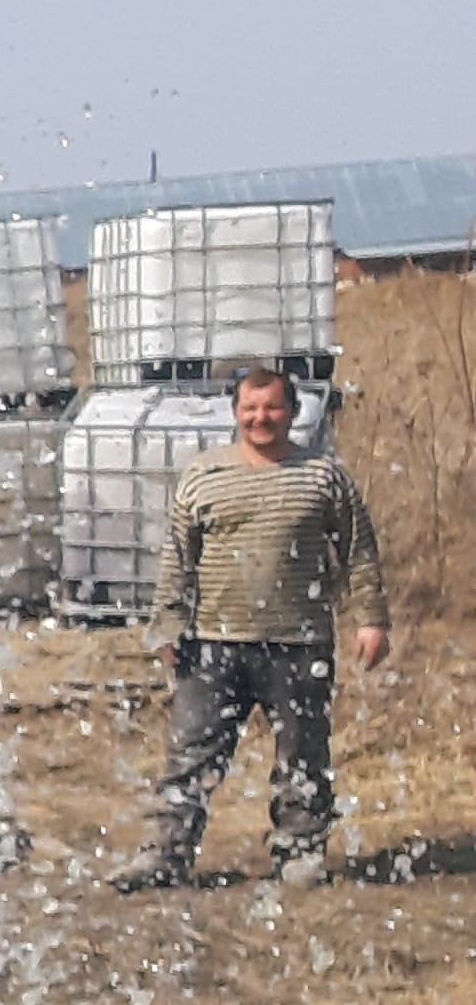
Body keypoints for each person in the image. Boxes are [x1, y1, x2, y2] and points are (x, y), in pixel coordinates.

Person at [119, 365, 396, 889]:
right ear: (236, 413)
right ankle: (165, 856)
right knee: (189, 758)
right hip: (213, 647)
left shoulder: (323, 475)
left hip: (299, 643)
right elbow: (177, 558)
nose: (260, 418)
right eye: (250, 408)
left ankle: (299, 853)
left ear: (292, 412)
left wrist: (372, 621)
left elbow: (358, 550)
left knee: (303, 757)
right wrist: (168, 626)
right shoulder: (204, 476)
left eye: (271, 407)